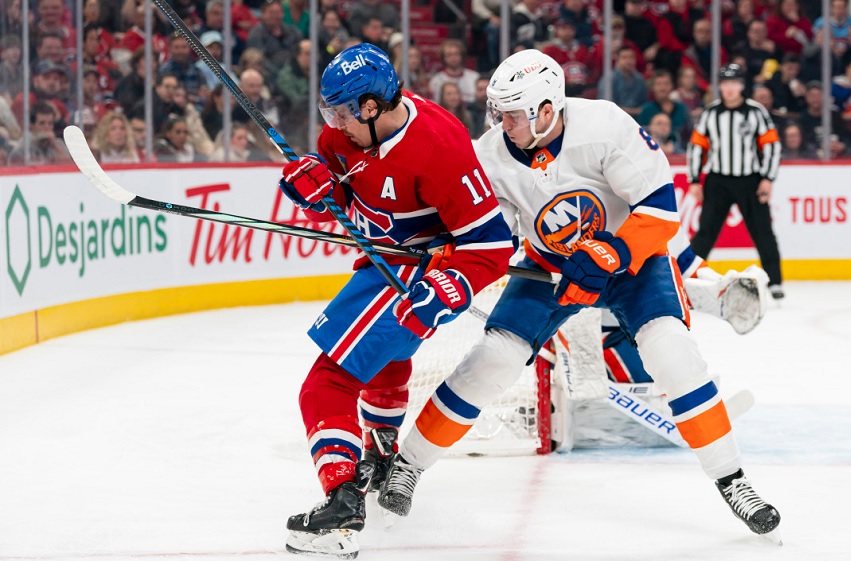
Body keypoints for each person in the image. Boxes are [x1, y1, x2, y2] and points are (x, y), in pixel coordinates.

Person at [377, 49, 782, 542]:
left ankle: (733, 480)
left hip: (632, 262)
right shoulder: (490, 155)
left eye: (512, 114)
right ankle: (408, 465)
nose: (501, 124)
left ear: (547, 109)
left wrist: (612, 254)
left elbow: (659, 209)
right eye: (497, 112)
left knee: (673, 353)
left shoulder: (605, 125)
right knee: (491, 361)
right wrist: (444, 247)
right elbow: (491, 234)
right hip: (549, 268)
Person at [276, 43, 512, 557]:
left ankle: (341, 505)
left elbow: (492, 245)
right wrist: (316, 189)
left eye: (342, 113)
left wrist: (450, 286)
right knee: (386, 360)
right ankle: (380, 458)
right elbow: (341, 198)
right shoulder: (343, 135)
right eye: (328, 113)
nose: (333, 125)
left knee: (326, 384)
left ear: (371, 106)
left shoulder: (440, 146)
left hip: (418, 276)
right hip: (382, 263)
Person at [687, 64, 785, 300]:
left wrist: (768, 178)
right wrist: (694, 179)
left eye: (734, 83)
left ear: (741, 85)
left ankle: (774, 282)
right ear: (720, 86)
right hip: (718, 181)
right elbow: (697, 147)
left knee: (763, 231)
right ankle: (687, 279)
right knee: (705, 232)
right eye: (725, 83)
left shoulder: (756, 112)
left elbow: (772, 146)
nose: (729, 88)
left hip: (750, 181)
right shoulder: (710, 113)